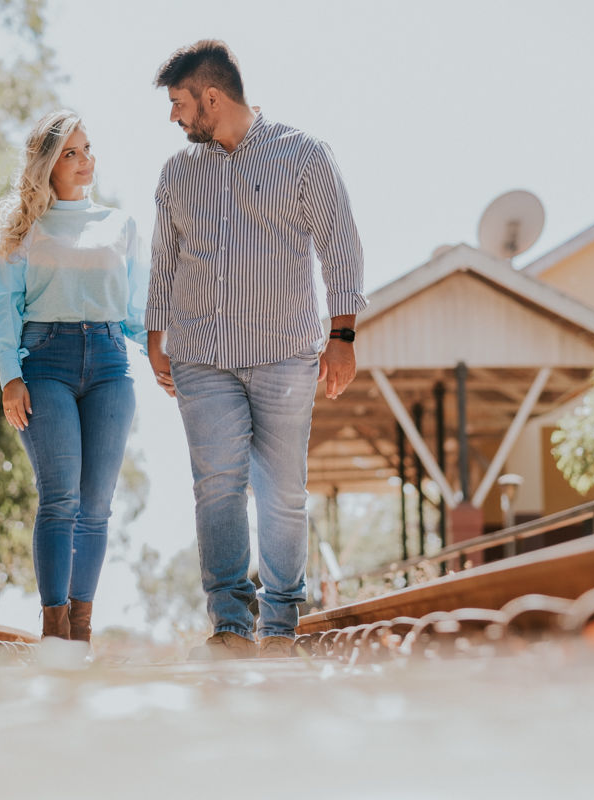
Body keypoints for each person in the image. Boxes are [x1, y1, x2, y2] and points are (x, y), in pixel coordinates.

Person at [146, 40, 367, 659]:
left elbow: (340, 246)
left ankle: (279, 625)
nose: (175, 117)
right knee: (216, 486)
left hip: (286, 354)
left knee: (283, 490)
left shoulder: (303, 155)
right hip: (203, 356)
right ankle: (230, 625)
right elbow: (164, 260)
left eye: (180, 103)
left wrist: (342, 336)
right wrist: (154, 334)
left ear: (211, 97)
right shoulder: (178, 172)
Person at [0, 110, 147, 643]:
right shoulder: (26, 228)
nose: (83, 160)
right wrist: (9, 374)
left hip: (110, 364)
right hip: (43, 363)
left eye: (87, 149)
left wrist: (168, 360)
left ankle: (80, 635)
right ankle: (53, 635)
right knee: (60, 499)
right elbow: (0, 305)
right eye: (70, 152)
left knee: (96, 506)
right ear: (47, 164)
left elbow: (139, 311)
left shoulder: (120, 225)